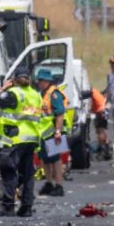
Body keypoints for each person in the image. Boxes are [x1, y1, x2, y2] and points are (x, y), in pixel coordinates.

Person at [0, 68, 43, 217]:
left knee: (9, 171)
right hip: (31, 138)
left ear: (14, 79)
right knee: (27, 174)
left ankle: (8, 207)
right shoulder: (36, 95)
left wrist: (4, 87)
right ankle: (26, 207)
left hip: (16, 138)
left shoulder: (14, 94)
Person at [36, 68, 69, 197]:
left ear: (47, 81)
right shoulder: (42, 93)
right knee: (45, 159)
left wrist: (58, 131)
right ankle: (49, 183)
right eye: (38, 80)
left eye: (41, 80)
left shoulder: (54, 94)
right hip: (44, 132)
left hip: (53, 132)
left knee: (55, 159)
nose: (39, 82)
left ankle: (59, 185)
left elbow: (59, 114)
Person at [90, 88, 113, 160]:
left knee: (100, 131)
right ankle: (104, 147)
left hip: (101, 113)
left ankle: (104, 148)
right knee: (100, 130)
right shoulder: (101, 97)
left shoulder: (98, 95)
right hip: (101, 112)